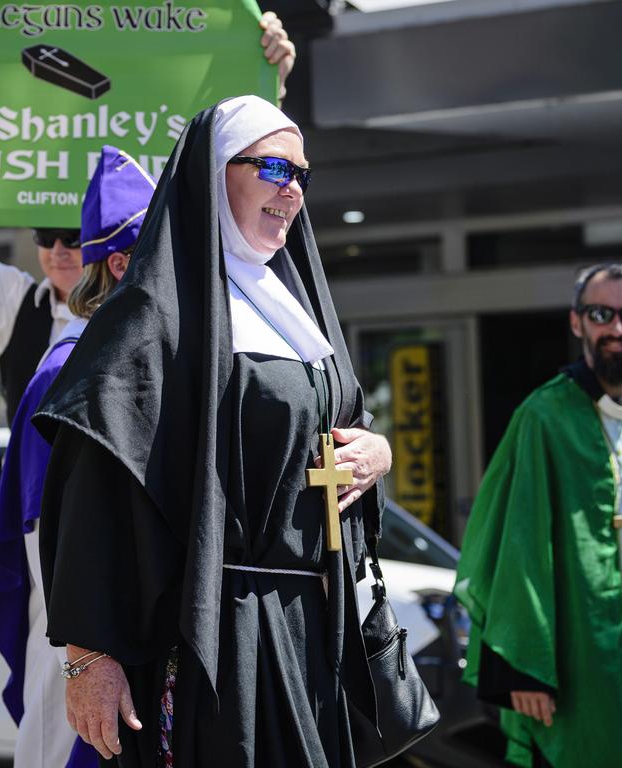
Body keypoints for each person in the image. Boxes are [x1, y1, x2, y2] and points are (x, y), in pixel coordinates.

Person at [32, 96, 392, 768]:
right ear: (214, 170)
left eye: (304, 177)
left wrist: (377, 450)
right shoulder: (147, 319)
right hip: (206, 631)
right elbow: (93, 494)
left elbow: (332, 425)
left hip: (305, 627)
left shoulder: (294, 307)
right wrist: (87, 658)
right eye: (278, 170)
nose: (294, 194)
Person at [0, 13, 297, 423]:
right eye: (47, 236)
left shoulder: (176, 305)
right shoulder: (14, 308)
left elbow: (234, 196)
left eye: (76, 236)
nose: (63, 250)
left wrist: (262, 83)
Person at [0, 145, 156, 768]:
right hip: (84, 650)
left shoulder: (172, 362)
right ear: (126, 263)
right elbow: (49, 544)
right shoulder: (64, 373)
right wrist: (85, 656)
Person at [454, 263, 622, 768]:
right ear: (577, 323)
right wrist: (524, 669)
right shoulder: (544, 416)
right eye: (602, 314)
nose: (617, 329)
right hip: (580, 656)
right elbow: (517, 542)